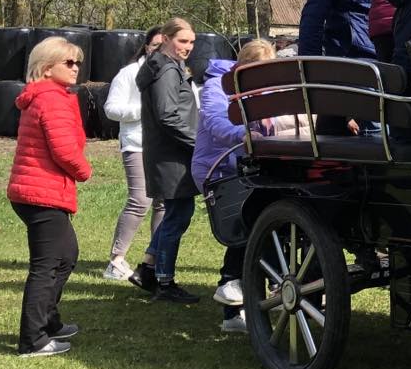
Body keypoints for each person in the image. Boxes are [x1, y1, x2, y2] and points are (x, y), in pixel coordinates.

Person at [193, 38, 302, 332]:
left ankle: (243, 294)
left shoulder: (264, 89)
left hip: (252, 165)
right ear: (244, 67)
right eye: (259, 72)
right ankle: (232, 301)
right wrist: (249, 132)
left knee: (258, 227)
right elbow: (218, 124)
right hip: (221, 168)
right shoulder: (217, 87)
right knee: (244, 229)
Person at [6, 35, 91, 356]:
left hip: (38, 190)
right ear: (45, 68)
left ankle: (49, 321)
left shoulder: (47, 96)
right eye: (68, 62)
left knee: (66, 255)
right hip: (42, 192)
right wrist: (85, 170)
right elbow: (64, 149)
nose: (75, 68)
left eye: (78, 62)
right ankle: (33, 339)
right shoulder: (51, 99)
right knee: (46, 266)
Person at [138, 17, 201, 304]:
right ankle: (165, 281)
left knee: (176, 214)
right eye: (182, 41)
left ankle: (149, 269)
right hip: (173, 155)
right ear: (165, 38)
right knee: (178, 215)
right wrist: (199, 142)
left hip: (169, 152)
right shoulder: (165, 70)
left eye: (191, 42)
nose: (187, 47)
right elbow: (168, 115)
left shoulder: (165, 66)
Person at [103, 25, 165, 284]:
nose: (159, 51)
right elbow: (111, 109)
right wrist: (143, 110)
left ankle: (157, 260)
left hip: (165, 146)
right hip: (137, 144)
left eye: (164, 47)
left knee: (164, 202)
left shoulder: (173, 74)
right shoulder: (128, 74)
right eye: (155, 46)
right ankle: (116, 260)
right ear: (146, 46)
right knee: (140, 200)